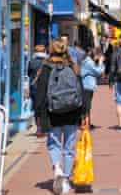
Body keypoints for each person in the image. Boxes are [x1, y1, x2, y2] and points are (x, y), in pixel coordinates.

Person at [34, 40, 84, 195]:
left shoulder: (46, 68)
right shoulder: (73, 67)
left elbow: (40, 95)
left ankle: (57, 167)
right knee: (69, 149)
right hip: (72, 112)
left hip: (52, 113)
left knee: (53, 144)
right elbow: (81, 91)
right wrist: (84, 114)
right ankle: (66, 180)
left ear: (51, 51)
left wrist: (39, 116)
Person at [80, 47, 105, 127]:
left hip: (87, 86)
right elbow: (98, 72)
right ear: (96, 55)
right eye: (99, 56)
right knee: (87, 106)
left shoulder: (88, 61)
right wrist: (101, 62)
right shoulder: (89, 62)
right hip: (86, 86)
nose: (99, 58)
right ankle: (86, 125)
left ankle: (87, 123)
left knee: (86, 106)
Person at [28, 44, 48, 135]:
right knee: (45, 107)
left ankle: (39, 127)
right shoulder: (47, 62)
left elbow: (29, 74)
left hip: (35, 87)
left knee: (37, 108)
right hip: (46, 87)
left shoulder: (32, 62)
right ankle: (45, 126)